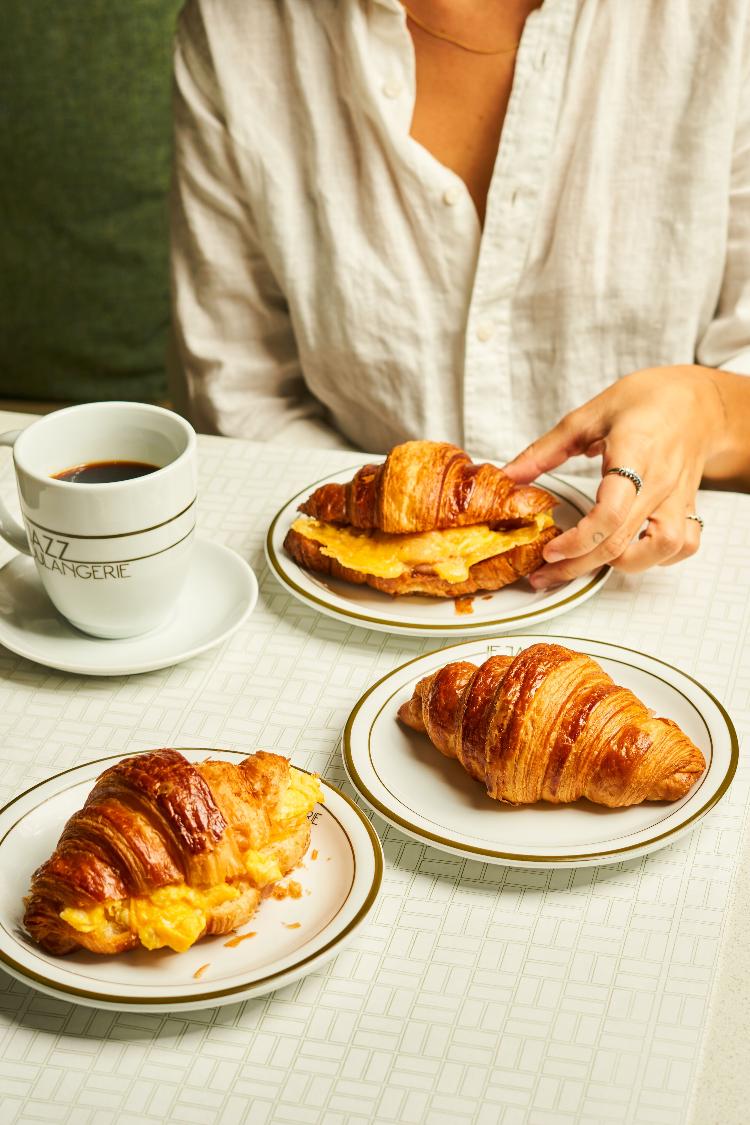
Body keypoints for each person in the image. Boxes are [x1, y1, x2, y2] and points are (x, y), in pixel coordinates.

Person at [170, 0, 750, 585]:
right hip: (338, 596)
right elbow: (242, 391)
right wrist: (384, 540)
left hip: (657, 579)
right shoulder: (236, 27)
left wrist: (708, 407)